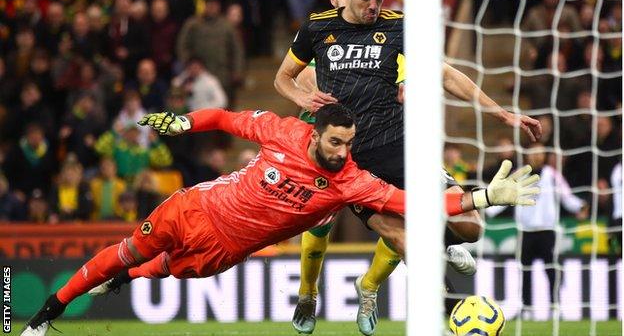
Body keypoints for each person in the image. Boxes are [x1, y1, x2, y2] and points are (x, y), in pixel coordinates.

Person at [21, 104, 538, 336]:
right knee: (129, 250)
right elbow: (224, 118)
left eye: (348, 143)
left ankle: (126, 279)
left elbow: (416, 206)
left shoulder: (350, 179)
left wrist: (483, 197)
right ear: (315, 133)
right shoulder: (283, 130)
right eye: (335, 141)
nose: (342, 151)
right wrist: (187, 121)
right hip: (194, 208)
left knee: (165, 270)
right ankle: (45, 315)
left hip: (224, 251)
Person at [274, 0, 543, 334]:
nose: (374, 6)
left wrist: (502, 115)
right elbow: (286, 77)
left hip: (403, 149)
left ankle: (409, 263)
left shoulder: (397, 27)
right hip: (347, 163)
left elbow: (441, 73)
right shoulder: (317, 30)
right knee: (346, 229)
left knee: (471, 227)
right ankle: (311, 292)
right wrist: (304, 100)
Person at [486, 142, 588, 320]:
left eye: (540, 153)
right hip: (525, 231)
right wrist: (488, 210)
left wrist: (581, 206)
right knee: (525, 271)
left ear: (544, 155)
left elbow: (566, 196)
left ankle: (555, 306)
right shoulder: (519, 175)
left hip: (547, 231)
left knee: (551, 270)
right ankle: (527, 308)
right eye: (533, 152)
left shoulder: (552, 175)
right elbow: (504, 197)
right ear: (527, 155)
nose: (536, 156)